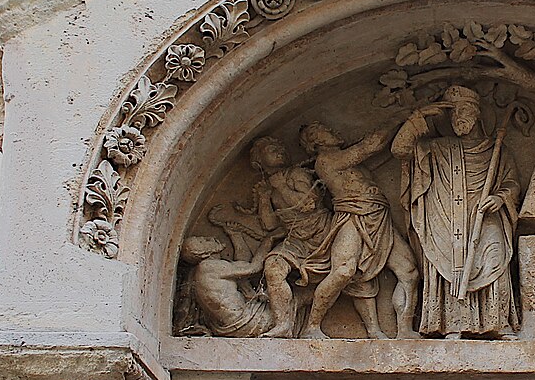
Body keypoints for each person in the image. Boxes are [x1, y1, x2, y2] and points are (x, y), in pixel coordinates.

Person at [392, 85, 519, 338]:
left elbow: (512, 183)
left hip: (485, 217)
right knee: (449, 263)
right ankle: (452, 324)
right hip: (445, 218)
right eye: (453, 114)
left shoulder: (496, 150)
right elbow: (399, 150)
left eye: (463, 111)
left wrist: (500, 197)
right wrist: (419, 117)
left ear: (477, 115)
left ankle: (498, 322)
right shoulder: (437, 147)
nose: (458, 118)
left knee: (495, 258)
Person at [298, 121, 420, 339]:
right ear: (315, 141)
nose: (333, 130)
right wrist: (407, 116)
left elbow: (379, 154)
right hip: (352, 218)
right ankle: (312, 326)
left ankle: (404, 330)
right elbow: (371, 146)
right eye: (325, 130)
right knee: (344, 271)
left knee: (409, 271)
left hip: (379, 219)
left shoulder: (348, 159)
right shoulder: (326, 161)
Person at [238, 136, 334, 339]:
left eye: (281, 146)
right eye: (272, 149)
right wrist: (264, 198)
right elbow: (270, 224)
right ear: (259, 160)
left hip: (320, 235)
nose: (279, 150)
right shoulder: (271, 185)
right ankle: (282, 325)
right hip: (296, 239)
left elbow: (308, 203)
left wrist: (282, 186)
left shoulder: (296, 174)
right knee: (273, 266)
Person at [179, 236, 272, 337]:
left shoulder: (204, 269)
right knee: (285, 305)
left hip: (232, 323)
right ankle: (282, 325)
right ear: (204, 253)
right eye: (203, 241)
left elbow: (242, 264)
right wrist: (269, 239)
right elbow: (253, 267)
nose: (210, 238)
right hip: (245, 322)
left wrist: (235, 235)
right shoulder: (208, 266)